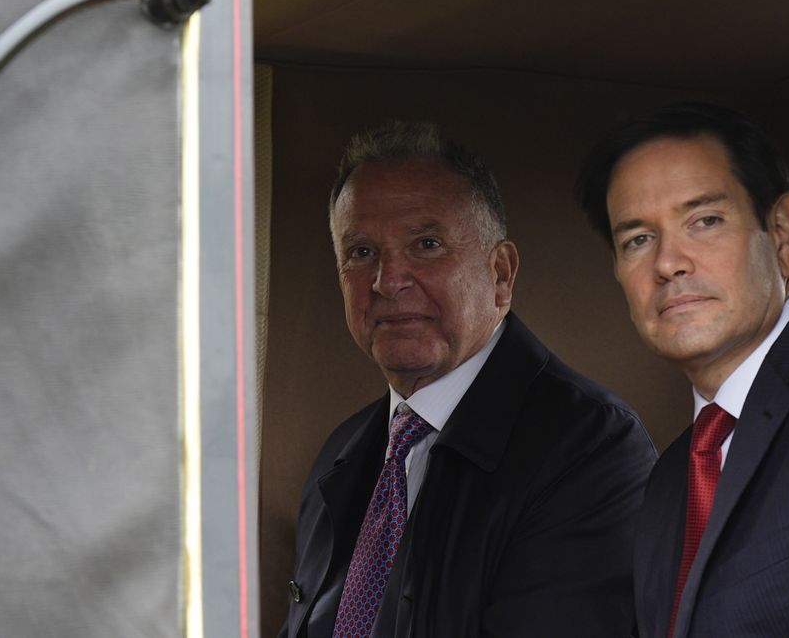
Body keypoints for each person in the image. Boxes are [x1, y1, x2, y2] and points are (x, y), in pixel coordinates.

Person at [280, 121, 657, 638]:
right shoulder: (343, 453)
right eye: (362, 252)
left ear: (500, 274)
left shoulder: (592, 449)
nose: (387, 281)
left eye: (427, 244)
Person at [576, 101, 789, 638]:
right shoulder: (671, 480)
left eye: (705, 221)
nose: (668, 263)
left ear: (783, 234)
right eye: (638, 240)